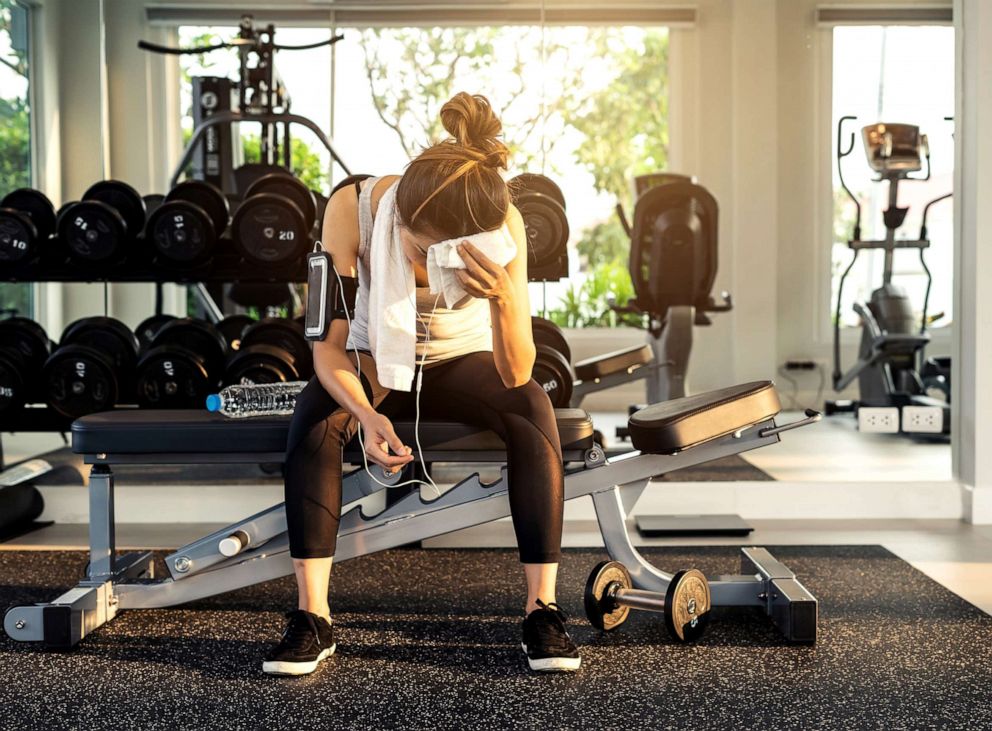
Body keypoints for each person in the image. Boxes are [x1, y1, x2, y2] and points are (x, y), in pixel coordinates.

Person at [262, 92, 581, 676]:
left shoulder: (502, 222)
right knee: (316, 415)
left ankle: (543, 609)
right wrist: (366, 415)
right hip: (372, 354)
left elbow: (515, 371)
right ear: (399, 218)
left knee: (533, 406)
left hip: (460, 357)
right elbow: (326, 349)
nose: (427, 263)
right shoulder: (351, 208)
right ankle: (313, 617)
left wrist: (507, 297)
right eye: (416, 248)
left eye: (444, 256)